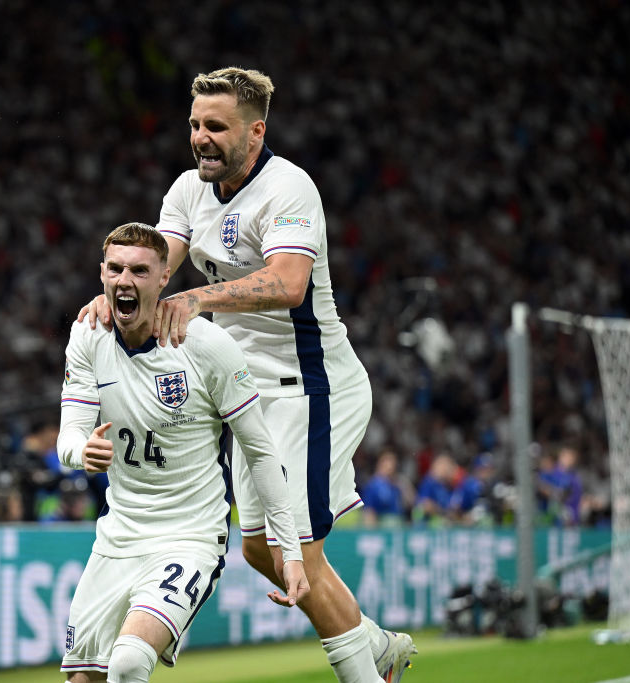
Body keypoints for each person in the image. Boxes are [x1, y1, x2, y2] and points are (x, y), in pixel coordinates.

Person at [80, 68, 415, 682]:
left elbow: (288, 285)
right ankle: (374, 644)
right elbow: (160, 266)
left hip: (313, 389)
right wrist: (116, 295)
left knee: (298, 552)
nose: (200, 138)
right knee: (262, 547)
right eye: (194, 126)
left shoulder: (290, 189)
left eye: (216, 127)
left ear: (256, 132)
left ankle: (369, 674)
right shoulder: (186, 191)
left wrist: (200, 301)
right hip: (250, 396)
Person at [59, 223, 311, 683]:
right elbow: (69, 437)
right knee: (83, 679)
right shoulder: (87, 337)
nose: (124, 280)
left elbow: (259, 450)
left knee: (130, 661)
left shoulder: (206, 346)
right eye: (115, 269)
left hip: (190, 536)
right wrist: (83, 451)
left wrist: (289, 549)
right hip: (118, 538)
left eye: (139, 270)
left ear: (163, 278)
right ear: (101, 275)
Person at [360, 448, 406, 527]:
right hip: (382, 528)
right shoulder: (373, 485)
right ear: (381, 464)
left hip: (397, 526)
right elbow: (368, 511)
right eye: (389, 463)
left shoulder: (394, 485)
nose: (392, 468)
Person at [412, 453, 457, 526]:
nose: (448, 470)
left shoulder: (447, 485)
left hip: (443, 521)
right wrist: (440, 511)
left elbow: (452, 506)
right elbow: (424, 504)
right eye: (445, 466)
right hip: (428, 524)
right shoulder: (429, 482)